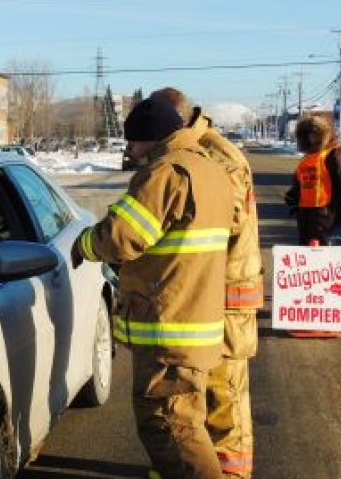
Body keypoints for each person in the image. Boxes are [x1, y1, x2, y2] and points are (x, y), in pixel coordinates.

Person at [72, 87, 235, 478]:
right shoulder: (209, 168)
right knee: (183, 425)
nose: (130, 150)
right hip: (197, 323)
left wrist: (84, 244)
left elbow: (120, 237)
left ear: (150, 135)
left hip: (170, 330)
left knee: (170, 428)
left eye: (133, 141)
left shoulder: (165, 172)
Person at [196, 112, 263, 479]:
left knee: (225, 399)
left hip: (228, 300)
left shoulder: (217, 159)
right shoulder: (210, 152)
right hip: (220, 296)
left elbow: (222, 221)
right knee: (215, 396)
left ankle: (233, 474)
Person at [284, 115, 341, 246]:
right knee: (309, 264)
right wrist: (293, 198)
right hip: (307, 227)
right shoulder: (305, 161)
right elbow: (300, 188)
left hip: (333, 228)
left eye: (313, 133)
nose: (309, 138)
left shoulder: (336, 155)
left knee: (332, 264)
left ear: (323, 134)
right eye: (305, 134)